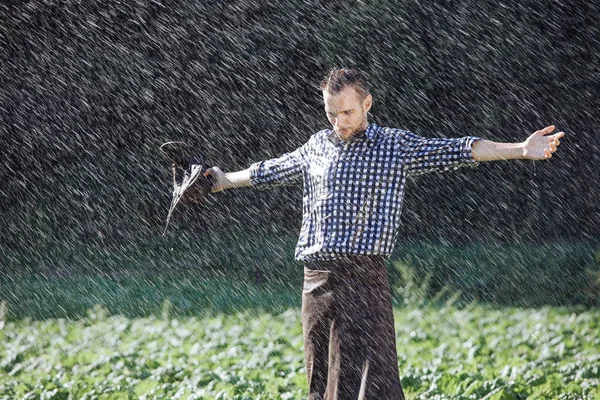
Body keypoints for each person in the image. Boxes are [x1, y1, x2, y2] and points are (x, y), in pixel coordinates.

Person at [204, 68, 564, 400]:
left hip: (363, 278)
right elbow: (272, 170)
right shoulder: (318, 145)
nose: (339, 122)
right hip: (315, 281)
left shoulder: (393, 146)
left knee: (373, 384)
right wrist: (221, 181)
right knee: (322, 383)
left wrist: (519, 149)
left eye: (347, 113)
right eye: (331, 114)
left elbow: (460, 148)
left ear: (367, 104)